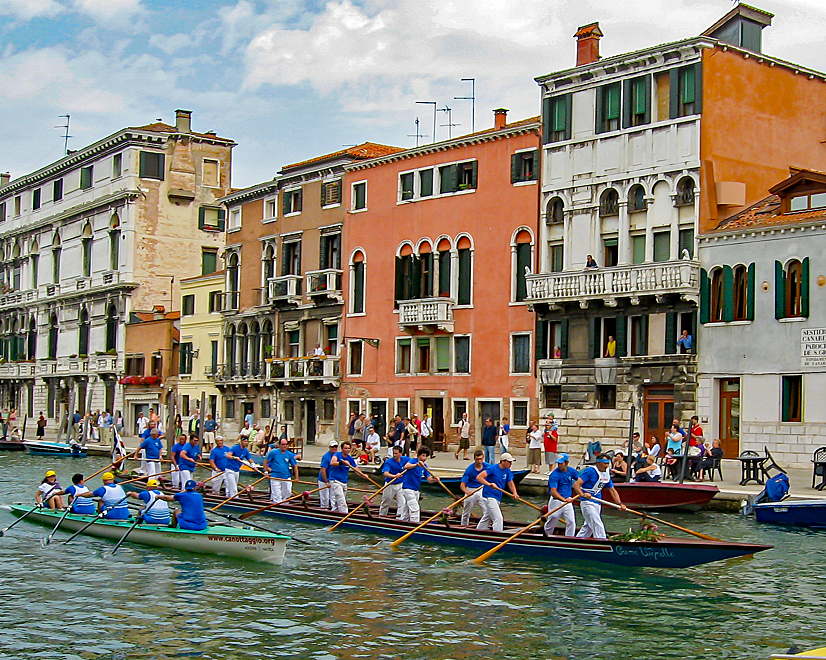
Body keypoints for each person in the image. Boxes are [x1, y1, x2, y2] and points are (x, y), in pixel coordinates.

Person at [573, 454, 625, 539]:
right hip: (587, 502)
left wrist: (619, 504)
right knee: (597, 523)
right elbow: (576, 485)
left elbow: (612, 490)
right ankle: (602, 541)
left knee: (588, 526)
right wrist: (582, 494)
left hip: (597, 502)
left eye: (608, 463)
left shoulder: (607, 473)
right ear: (598, 463)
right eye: (604, 463)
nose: (607, 466)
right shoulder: (590, 471)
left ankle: (578, 540)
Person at [476, 453, 518, 532]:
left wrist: (514, 493)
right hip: (489, 496)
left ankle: (479, 530)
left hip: (497, 497)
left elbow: (510, 483)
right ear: (503, 461)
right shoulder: (492, 468)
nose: (511, 464)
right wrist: (489, 484)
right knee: (498, 518)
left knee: (487, 517)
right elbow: (479, 477)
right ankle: (498, 534)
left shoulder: (507, 471)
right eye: (509, 462)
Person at [398, 446, 438, 523]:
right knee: (415, 509)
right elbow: (406, 466)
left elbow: (429, 479)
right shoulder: (413, 461)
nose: (424, 458)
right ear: (419, 455)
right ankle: (415, 523)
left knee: (406, 508)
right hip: (407, 488)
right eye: (423, 455)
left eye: (426, 456)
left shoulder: (425, 466)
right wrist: (416, 465)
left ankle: (402, 520)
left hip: (416, 490)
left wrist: (434, 480)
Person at [328, 441, 370, 513]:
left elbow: (356, 469)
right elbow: (332, 463)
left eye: (348, 448)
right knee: (342, 501)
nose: (347, 450)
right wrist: (341, 463)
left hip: (344, 482)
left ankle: (335, 512)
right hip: (335, 481)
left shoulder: (350, 459)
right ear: (342, 449)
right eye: (345, 448)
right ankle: (345, 515)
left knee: (339, 500)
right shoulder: (337, 455)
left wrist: (363, 475)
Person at [544, 453, 579, 537]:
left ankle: (569, 538)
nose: (559, 465)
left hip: (568, 500)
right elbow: (553, 492)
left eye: (561, 463)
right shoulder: (554, 475)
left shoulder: (572, 471)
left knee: (571, 521)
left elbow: (581, 480)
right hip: (556, 501)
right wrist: (563, 500)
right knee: (553, 519)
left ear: (566, 463)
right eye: (558, 463)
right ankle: (546, 535)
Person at [459, 450, 490, 527]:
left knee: (487, 510)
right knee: (466, 513)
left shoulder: (487, 466)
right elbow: (462, 485)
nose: (479, 461)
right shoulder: (469, 469)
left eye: (481, 459)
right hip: (471, 490)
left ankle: (484, 526)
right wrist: (467, 492)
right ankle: (463, 526)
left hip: (482, 489)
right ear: (474, 459)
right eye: (477, 459)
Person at [264, 438, 298, 503]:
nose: (284, 446)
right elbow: (265, 462)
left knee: (288, 493)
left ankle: (285, 505)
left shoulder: (289, 454)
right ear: (279, 445)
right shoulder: (273, 453)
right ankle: (277, 504)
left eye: (286, 444)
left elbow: (295, 466)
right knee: (277, 495)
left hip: (286, 477)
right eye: (283, 444)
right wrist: (266, 472)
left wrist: (296, 478)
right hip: (275, 477)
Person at [380, 445, 407, 517]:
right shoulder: (388, 462)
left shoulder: (405, 459)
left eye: (396, 453)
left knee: (402, 503)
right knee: (386, 502)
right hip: (390, 484)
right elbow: (386, 473)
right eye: (393, 453)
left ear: (401, 454)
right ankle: (382, 516)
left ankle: (400, 518)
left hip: (400, 484)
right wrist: (394, 476)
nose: (394, 455)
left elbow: (413, 462)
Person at [318, 440, 338, 510]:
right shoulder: (326, 457)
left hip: (332, 479)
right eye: (333, 447)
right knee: (324, 498)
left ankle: (334, 509)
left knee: (333, 497)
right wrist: (326, 482)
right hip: (323, 480)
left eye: (335, 446)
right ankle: (324, 509)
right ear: (329, 447)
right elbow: (323, 470)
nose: (334, 448)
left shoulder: (337, 456)